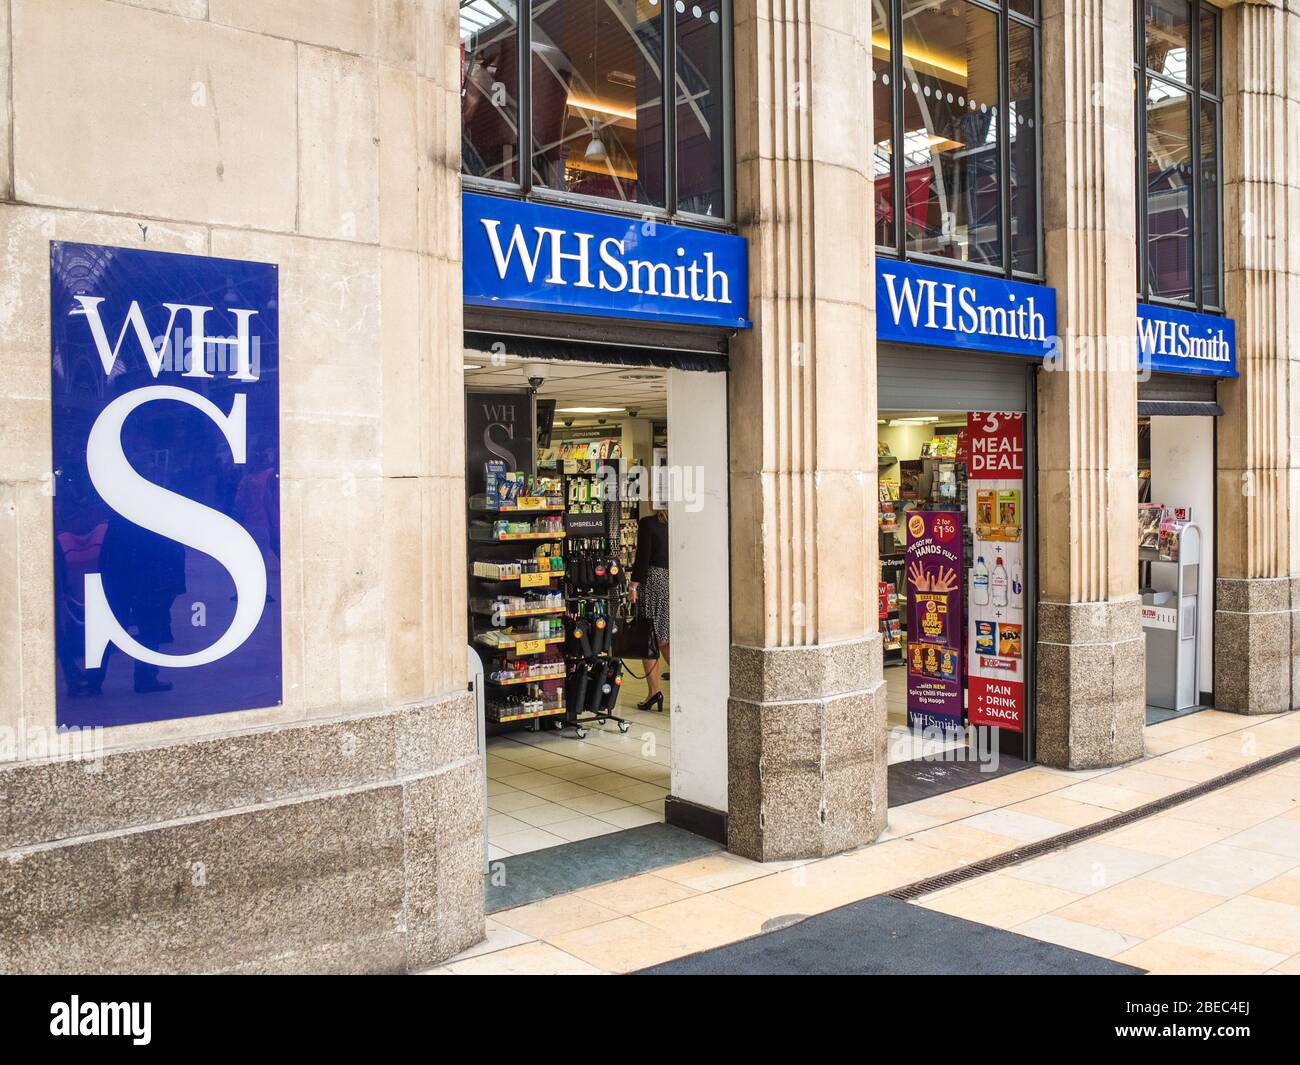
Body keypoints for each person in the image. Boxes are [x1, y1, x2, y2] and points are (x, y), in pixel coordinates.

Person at [628, 508, 669, 712]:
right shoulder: (681, 522)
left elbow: (642, 557)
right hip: (673, 581)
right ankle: (686, 685)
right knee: (666, 638)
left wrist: (633, 585)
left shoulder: (649, 523)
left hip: (654, 581)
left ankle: (654, 692)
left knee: (650, 637)